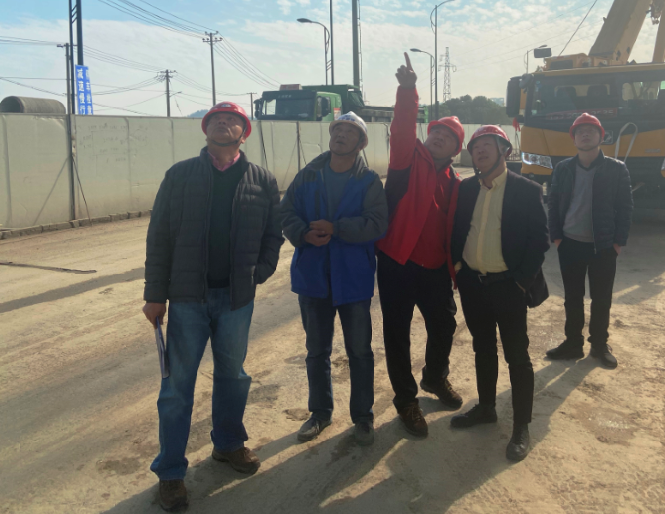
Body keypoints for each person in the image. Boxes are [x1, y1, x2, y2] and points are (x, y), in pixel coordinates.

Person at [142, 102, 284, 512]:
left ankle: (228, 444)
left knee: (233, 376)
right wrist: (155, 294)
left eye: (232, 119)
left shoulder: (261, 179)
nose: (224, 122)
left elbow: (273, 234)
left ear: (244, 132)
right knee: (176, 388)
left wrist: (260, 272)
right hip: (188, 298)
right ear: (206, 130)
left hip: (236, 299)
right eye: (216, 119)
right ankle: (171, 471)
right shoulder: (180, 175)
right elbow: (159, 236)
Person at [280, 112, 388, 447]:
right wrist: (302, 233)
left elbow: (377, 223)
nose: (341, 134)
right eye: (337, 129)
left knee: (360, 351)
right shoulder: (308, 175)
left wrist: (337, 228)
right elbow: (286, 212)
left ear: (361, 142)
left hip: (352, 278)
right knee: (316, 351)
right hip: (313, 277)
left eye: (349, 131)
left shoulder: (368, 181)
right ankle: (320, 413)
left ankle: (363, 417)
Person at [376, 52, 466, 437]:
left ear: (455, 150)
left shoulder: (457, 184)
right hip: (397, 262)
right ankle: (406, 400)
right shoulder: (407, 159)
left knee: (444, 325)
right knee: (397, 334)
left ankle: (434, 377)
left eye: (448, 137)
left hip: (435, 269)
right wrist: (408, 91)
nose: (438, 137)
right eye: (436, 132)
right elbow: (402, 127)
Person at [449, 125, 550, 462]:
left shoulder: (526, 190)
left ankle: (521, 426)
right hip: (473, 285)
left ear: (504, 151)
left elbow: (539, 241)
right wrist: (459, 267)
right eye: (475, 147)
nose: (479, 151)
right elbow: (457, 230)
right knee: (482, 348)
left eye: (487, 145)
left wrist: (521, 281)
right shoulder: (466, 189)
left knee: (517, 356)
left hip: (509, 286)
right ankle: (486, 407)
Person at [546, 113, 633, 369]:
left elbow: (625, 207)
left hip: (603, 246)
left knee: (601, 298)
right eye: (580, 131)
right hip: (569, 244)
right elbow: (553, 204)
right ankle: (573, 343)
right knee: (572, 297)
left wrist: (617, 243)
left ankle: (599, 345)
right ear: (573, 138)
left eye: (591, 131)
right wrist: (557, 237)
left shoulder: (616, 169)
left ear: (601, 136)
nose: (585, 134)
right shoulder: (563, 168)